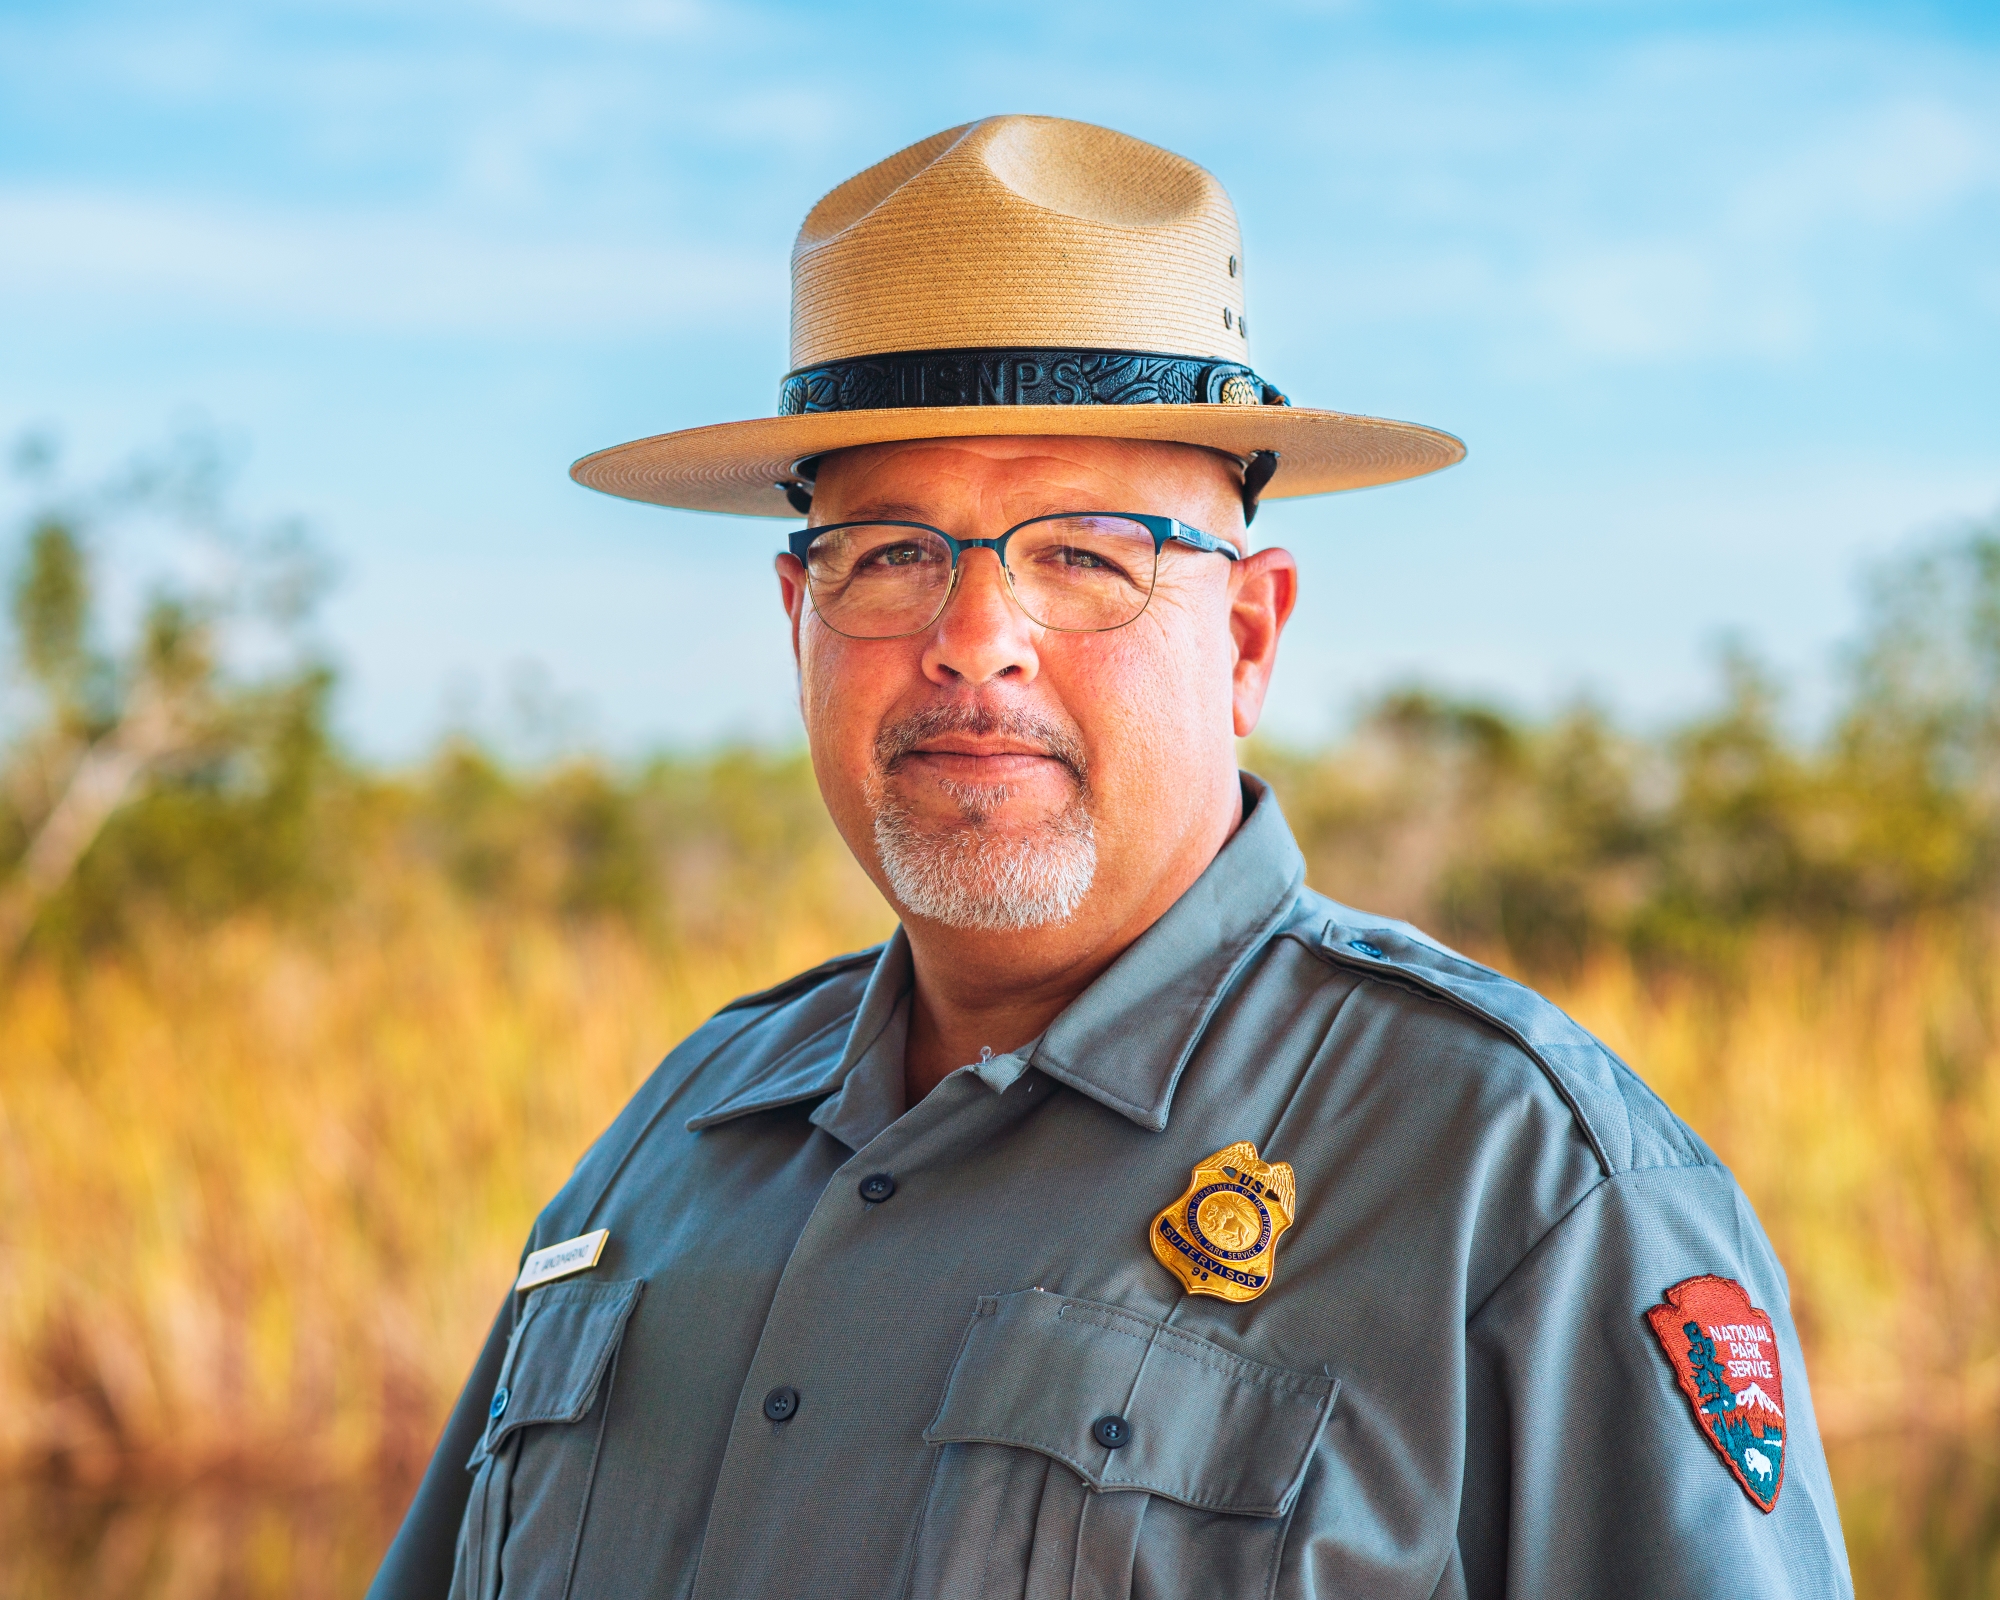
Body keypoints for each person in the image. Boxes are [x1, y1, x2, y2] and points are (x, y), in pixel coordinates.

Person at [370, 115, 1852, 1599]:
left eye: (1084, 552)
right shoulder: (672, 1143)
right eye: (886, 553)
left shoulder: (1518, 1183)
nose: (973, 639)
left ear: (1247, 638)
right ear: (797, 622)